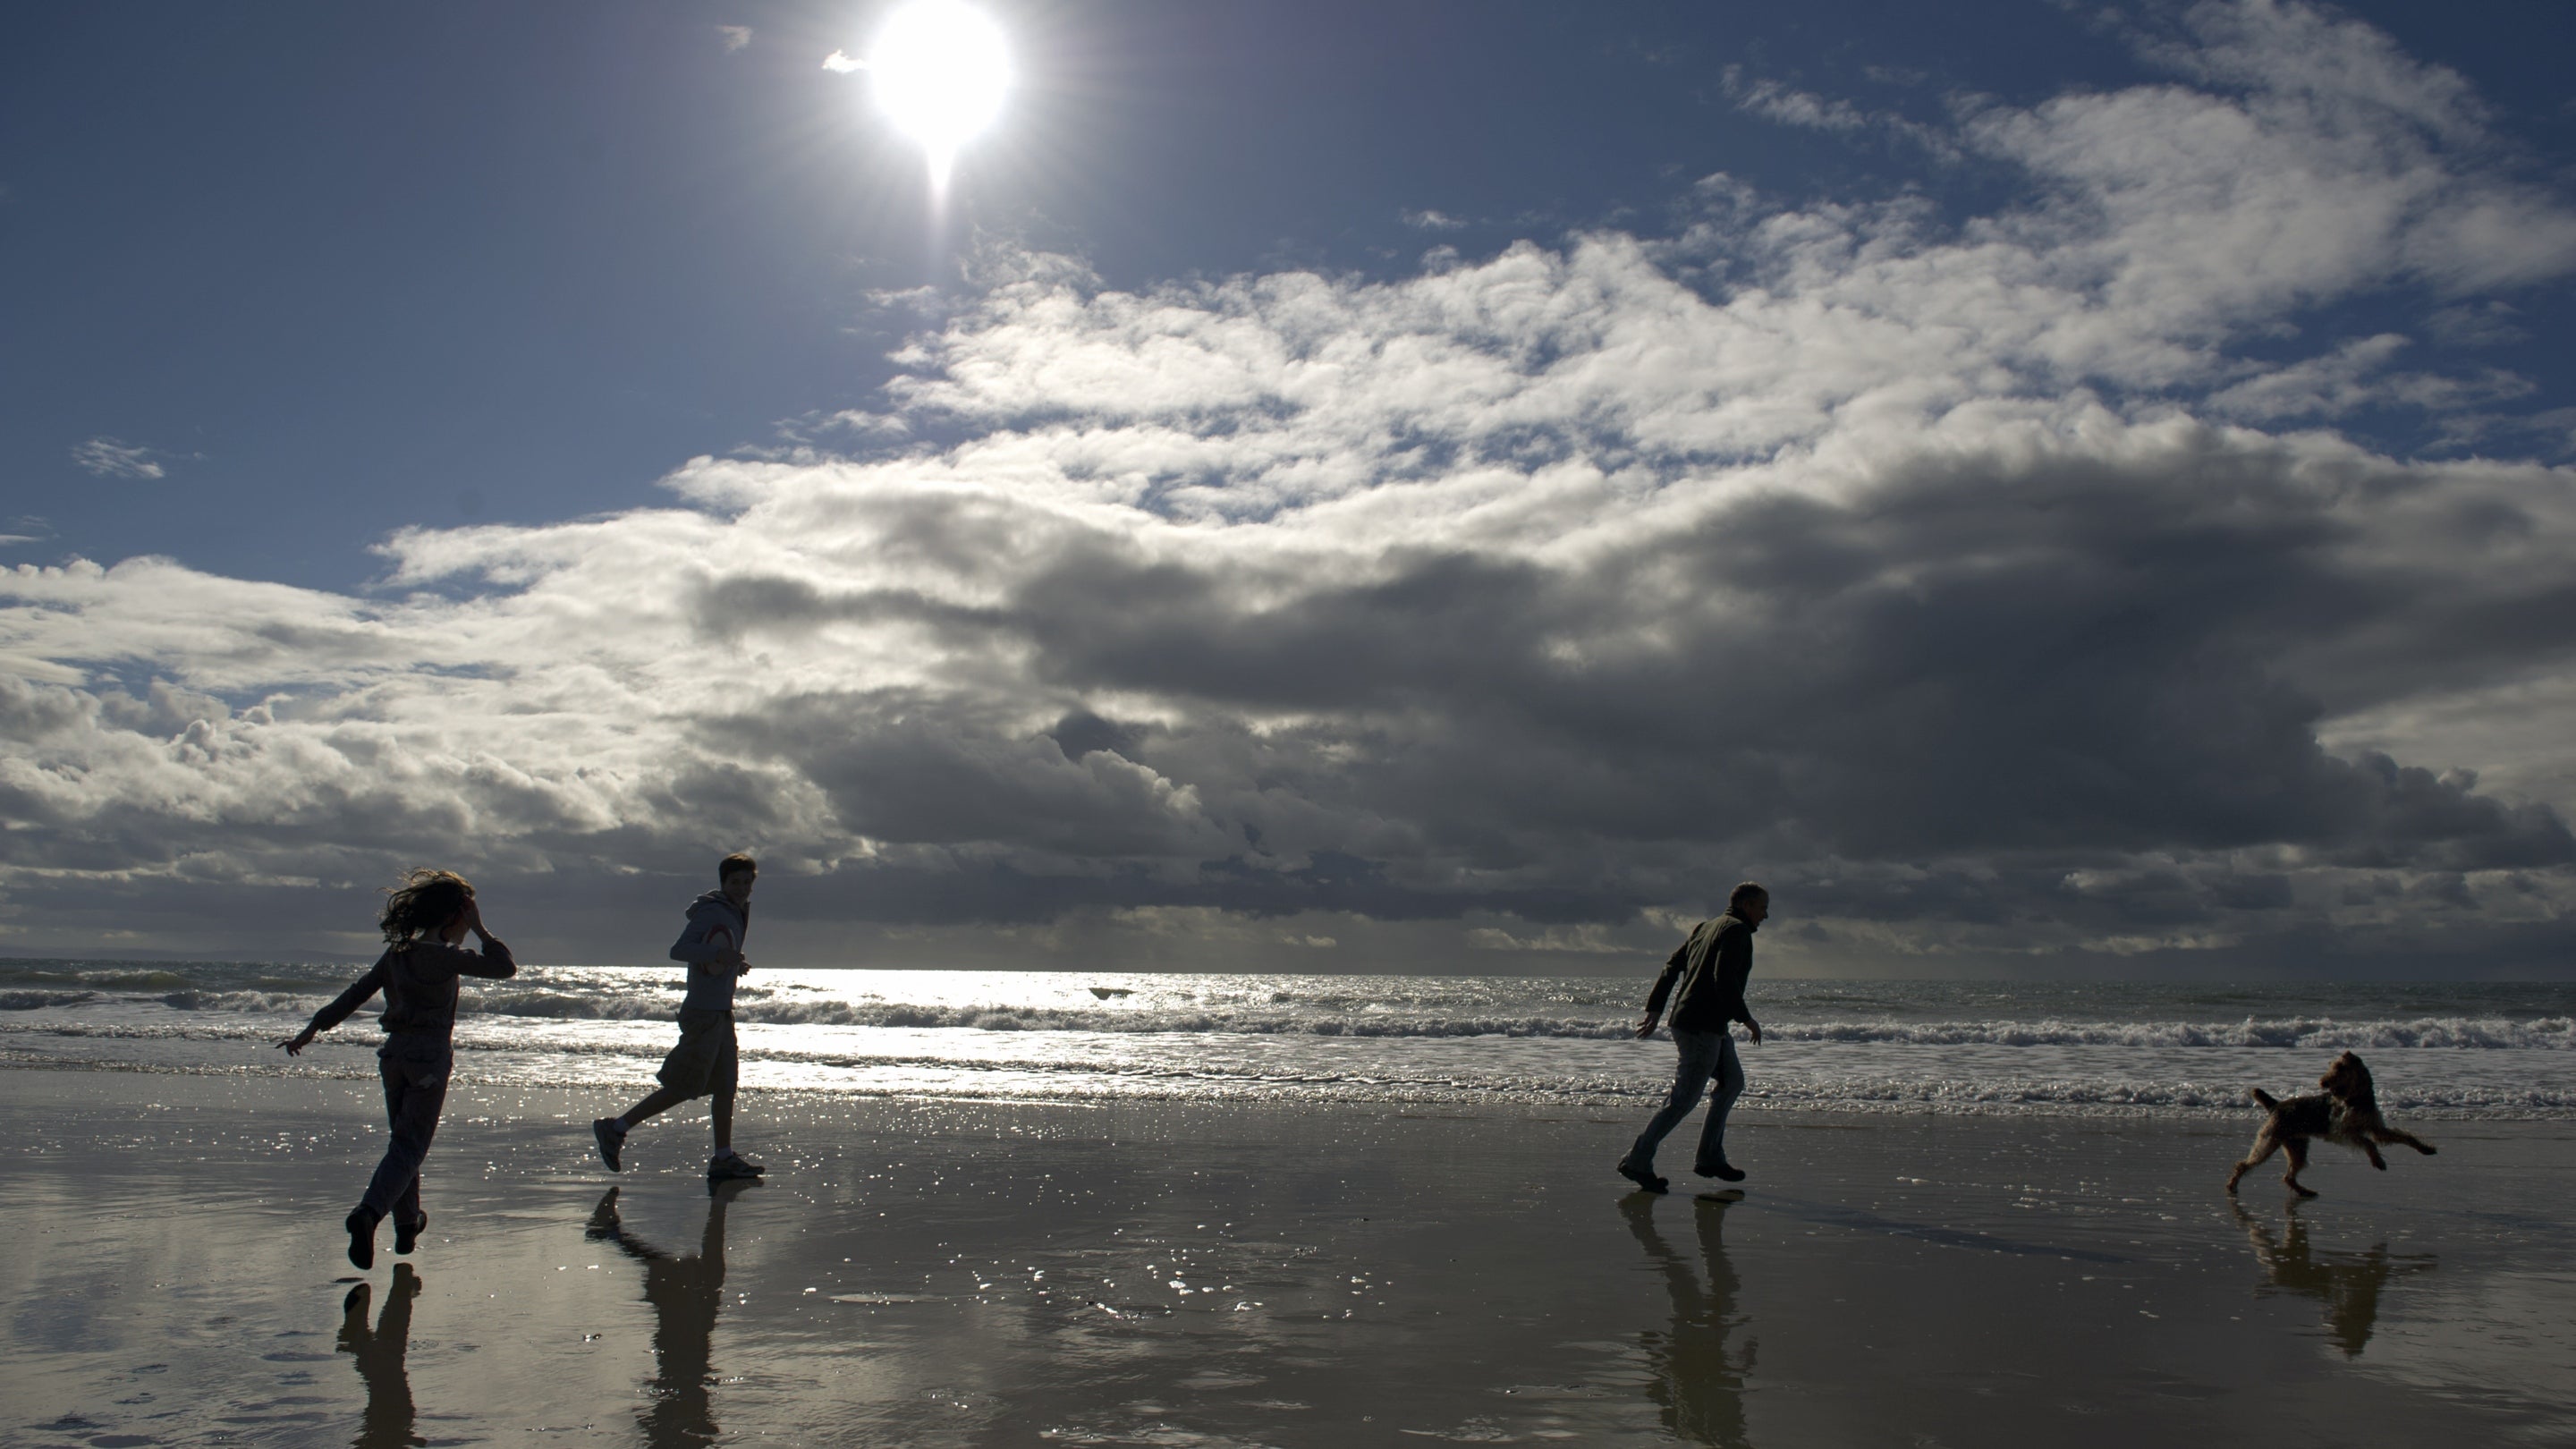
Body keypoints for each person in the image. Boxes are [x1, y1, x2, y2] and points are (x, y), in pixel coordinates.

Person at [282, 869, 517, 1268]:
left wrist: (314, 1027)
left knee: (403, 1146)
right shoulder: (446, 958)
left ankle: (407, 1224)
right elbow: (505, 967)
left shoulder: (398, 954)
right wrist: (481, 928)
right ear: (454, 916)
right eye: (465, 917)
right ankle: (368, 1214)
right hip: (429, 1058)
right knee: (409, 1148)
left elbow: (356, 993)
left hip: (393, 1058)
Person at [593, 853, 765, 1181]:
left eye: (747, 882)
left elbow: (717, 953)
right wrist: (718, 954)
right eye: (735, 882)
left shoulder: (737, 912)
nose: (742, 888)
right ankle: (615, 1127)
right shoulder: (713, 911)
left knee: (727, 1086)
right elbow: (680, 949)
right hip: (703, 1013)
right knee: (684, 1086)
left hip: (722, 1012)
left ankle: (723, 1157)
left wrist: (731, 962)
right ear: (723, 882)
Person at [1618, 882, 1768, 1193]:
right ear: (1747, 906)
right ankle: (1637, 1159)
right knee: (1683, 1100)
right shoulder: (1736, 931)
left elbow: (1672, 965)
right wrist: (1746, 1018)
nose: (1766, 915)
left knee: (1733, 1083)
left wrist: (1656, 1008)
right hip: (1701, 1027)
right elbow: (1723, 979)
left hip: (1702, 1023)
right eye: (1762, 907)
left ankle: (1710, 1156)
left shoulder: (1707, 926)